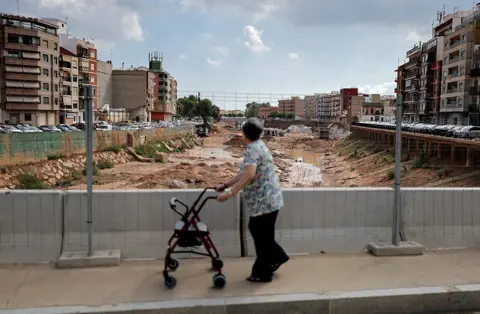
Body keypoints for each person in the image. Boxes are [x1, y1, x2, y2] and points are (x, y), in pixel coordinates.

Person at [216, 117, 289, 283]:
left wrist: (230, 193)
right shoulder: (259, 145)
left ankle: (263, 273)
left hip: (264, 202)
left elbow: (249, 175)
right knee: (263, 235)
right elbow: (244, 172)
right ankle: (278, 257)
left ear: (244, 134)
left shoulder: (252, 149)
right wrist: (226, 184)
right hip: (270, 200)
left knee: (260, 234)